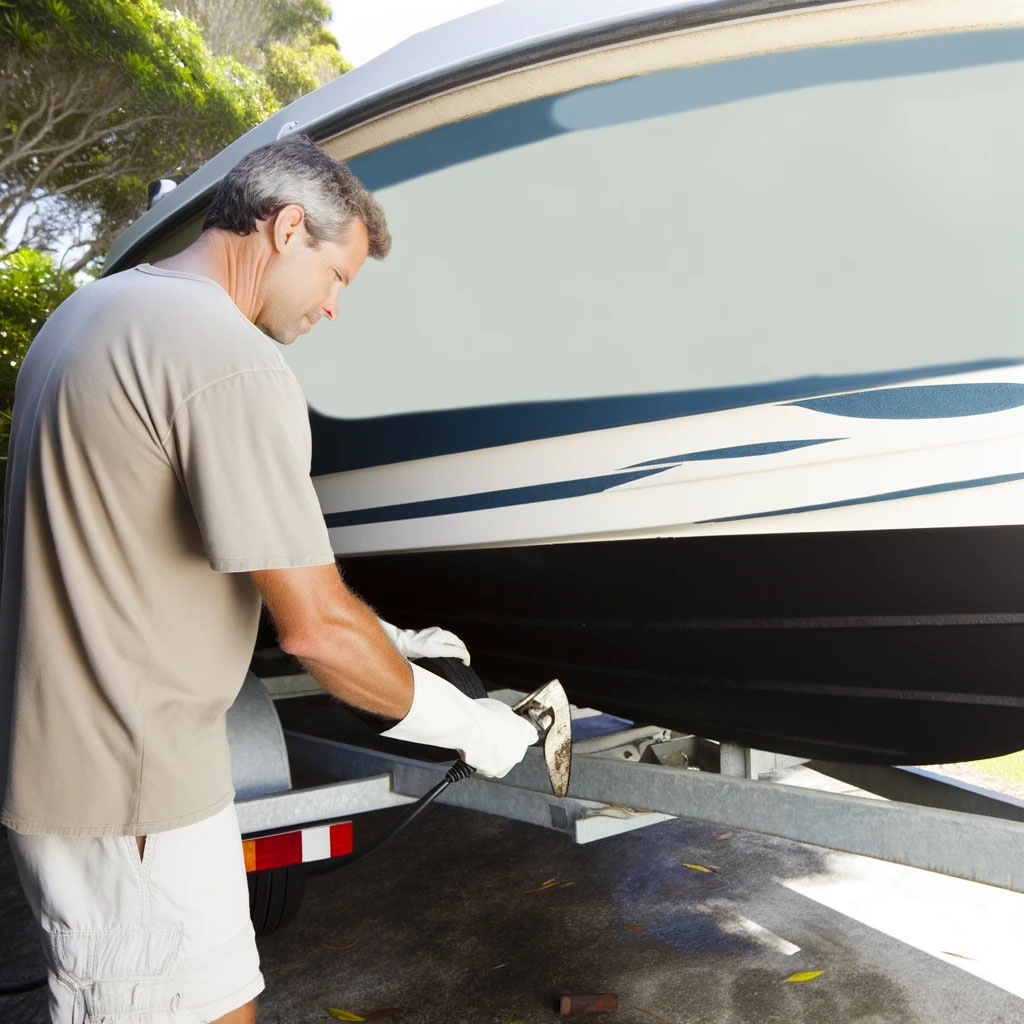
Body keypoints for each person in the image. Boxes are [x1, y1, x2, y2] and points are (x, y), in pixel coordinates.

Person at [0, 134, 536, 1024]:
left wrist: (391, 641)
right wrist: (467, 727)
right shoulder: (228, 357)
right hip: (136, 791)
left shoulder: (91, 314)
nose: (333, 310)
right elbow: (314, 628)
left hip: (71, 769)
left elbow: (144, 556)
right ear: (289, 229)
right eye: (337, 278)